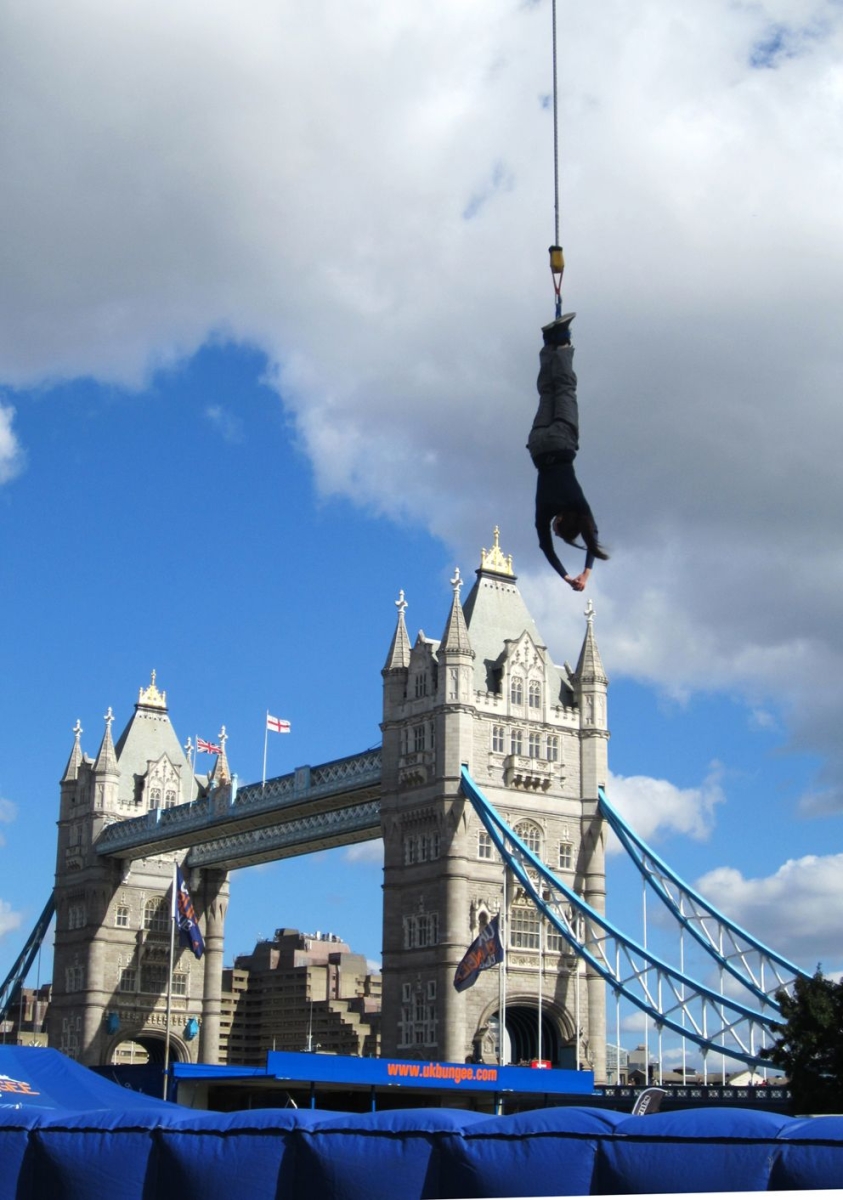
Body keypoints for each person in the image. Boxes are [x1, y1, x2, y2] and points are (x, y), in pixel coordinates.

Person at [527, 313, 608, 591]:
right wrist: (564, 576)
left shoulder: (578, 504)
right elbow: (545, 548)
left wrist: (586, 573)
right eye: (558, 530)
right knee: (547, 392)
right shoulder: (545, 509)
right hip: (539, 446)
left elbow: (593, 534)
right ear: (559, 521)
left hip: (562, 441)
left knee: (565, 389)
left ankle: (561, 342)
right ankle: (549, 346)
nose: (553, 531)